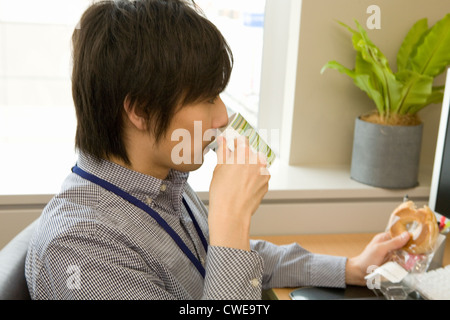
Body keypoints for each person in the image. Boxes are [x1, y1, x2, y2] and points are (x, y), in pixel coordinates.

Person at [25, 0, 410, 300]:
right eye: (207, 99)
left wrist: (349, 268)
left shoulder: (161, 179)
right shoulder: (79, 249)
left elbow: (228, 259)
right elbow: (227, 248)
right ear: (140, 110)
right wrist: (229, 217)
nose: (223, 115)